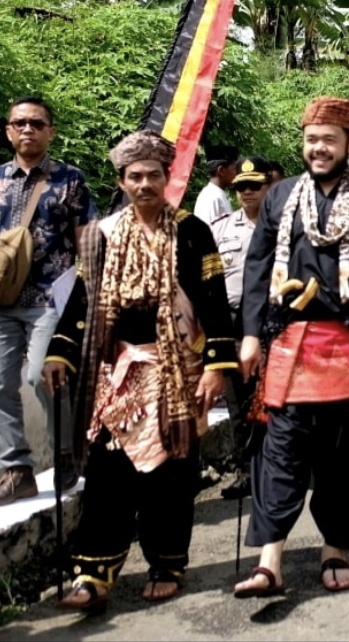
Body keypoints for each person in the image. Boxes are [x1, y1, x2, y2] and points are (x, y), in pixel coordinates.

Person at [43, 130, 236, 611]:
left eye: (154, 175)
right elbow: (83, 303)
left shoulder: (191, 231)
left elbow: (214, 303)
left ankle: (167, 562)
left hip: (176, 371)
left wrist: (217, 364)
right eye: (135, 176)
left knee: (170, 472)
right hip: (117, 375)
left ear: (167, 179)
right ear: (122, 181)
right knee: (109, 470)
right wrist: (59, 353)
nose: (145, 183)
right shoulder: (102, 235)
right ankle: (94, 574)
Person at [234, 96, 349, 597]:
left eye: (330, 140)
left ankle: (335, 549)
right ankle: (270, 560)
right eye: (312, 139)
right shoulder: (280, 195)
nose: (319, 148)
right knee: (282, 451)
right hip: (290, 345)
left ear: (348, 144)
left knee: (345, 457)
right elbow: (256, 267)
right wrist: (249, 335)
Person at [1, 96, 96, 505]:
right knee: (0, 383)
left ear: (50, 132)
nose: (27, 129)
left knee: (41, 374)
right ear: (8, 131)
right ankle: (16, 468)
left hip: (49, 298)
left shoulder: (68, 179)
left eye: (36, 124)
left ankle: (66, 455)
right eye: (19, 123)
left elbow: (86, 240)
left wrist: (89, 292)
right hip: (3, 298)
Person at [212, 156, 273, 501]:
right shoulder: (221, 229)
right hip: (233, 324)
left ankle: (278, 467)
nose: (247, 192)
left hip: (272, 324)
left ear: (267, 188)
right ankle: (245, 470)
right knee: (238, 403)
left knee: (274, 400)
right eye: (241, 187)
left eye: (254, 186)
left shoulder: (282, 226)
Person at [193, 145, 237, 225]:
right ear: (221, 171)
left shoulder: (218, 194)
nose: (236, 173)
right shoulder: (211, 197)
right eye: (234, 169)